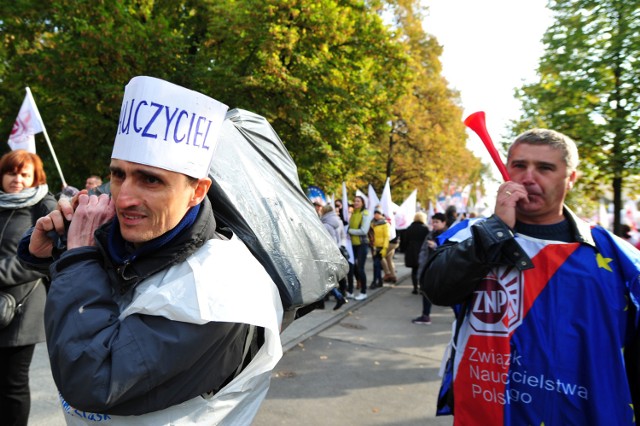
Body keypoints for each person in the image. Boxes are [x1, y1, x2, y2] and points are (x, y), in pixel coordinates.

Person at [18, 76, 283, 424]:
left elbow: (91, 379)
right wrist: (49, 254)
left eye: (151, 180)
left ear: (197, 190)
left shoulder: (221, 287)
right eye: (118, 175)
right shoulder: (130, 241)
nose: (124, 196)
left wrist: (79, 256)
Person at [423, 128, 640, 425]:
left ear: (570, 178)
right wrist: (494, 231)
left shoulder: (616, 254)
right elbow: (436, 289)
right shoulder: (470, 234)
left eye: (545, 168)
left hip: (582, 414)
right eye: (520, 166)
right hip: (488, 412)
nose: (529, 177)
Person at [0, 150, 57, 426]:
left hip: (22, 308)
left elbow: (41, 254)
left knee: (12, 383)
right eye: (11, 172)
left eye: (24, 174)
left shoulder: (43, 205)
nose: (17, 179)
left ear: (36, 177)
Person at [411, 212, 447, 325]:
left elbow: (451, 251)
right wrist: (421, 262)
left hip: (443, 269)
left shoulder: (449, 235)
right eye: (433, 222)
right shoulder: (431, 234)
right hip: (429, 267)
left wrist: (437, 247)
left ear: (444, 223)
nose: (434, 224)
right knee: (426, 291)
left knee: (449, 293)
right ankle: (425, 316)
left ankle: (460, 317)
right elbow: (423, 249)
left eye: (437, 222)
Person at [320, 204, 349, 310]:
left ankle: (338, 296)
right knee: (330, 277)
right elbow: (340, 237)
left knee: (325, 278)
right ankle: (339, 296)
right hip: (335, 251)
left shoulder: (325, 224)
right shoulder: (337, 221)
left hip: (326, 253)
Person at [347, 195, 372, 300]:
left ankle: (363, 292)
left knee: (360, 268)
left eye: (358, 201)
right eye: (355, 201)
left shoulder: (365, 213)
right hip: (352, 244)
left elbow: (364, 230)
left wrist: (349, 231)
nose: (356, 203)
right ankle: (350, 291)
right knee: (351, 268)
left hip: (362, 244)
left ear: (363, 203)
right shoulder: (353, 213)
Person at [403, 211, 429, 294]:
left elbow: (405, 241)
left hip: (411, 251)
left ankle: (415, 288)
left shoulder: (409, 228)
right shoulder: (425, 229)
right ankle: (421, 287)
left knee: (414, 270)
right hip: (422, 251)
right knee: (422, 269)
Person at [369, 207, 389, 289]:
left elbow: (386, 237)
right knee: (376, 265)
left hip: (380, 247)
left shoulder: (385, 224)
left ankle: (375, 281)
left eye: (378, 213)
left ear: (381, 215)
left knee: (376, 265)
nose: (376, 215)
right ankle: (379, 281)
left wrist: (385, 248)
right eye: (375, 213)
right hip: (373, 246)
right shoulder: (372, 223)